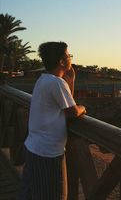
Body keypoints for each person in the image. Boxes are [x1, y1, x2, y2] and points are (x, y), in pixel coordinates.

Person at [18, 42, 86, 200]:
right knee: (56, 195)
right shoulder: (56, 83)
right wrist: (83, 107)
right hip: (47, 153)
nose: (70, 58)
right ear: (62, 61)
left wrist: (71, 81)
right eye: (69, 55)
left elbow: (66, 103)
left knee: (30, 193)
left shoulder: (44, 80)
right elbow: (73, 111)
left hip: (34, 147)